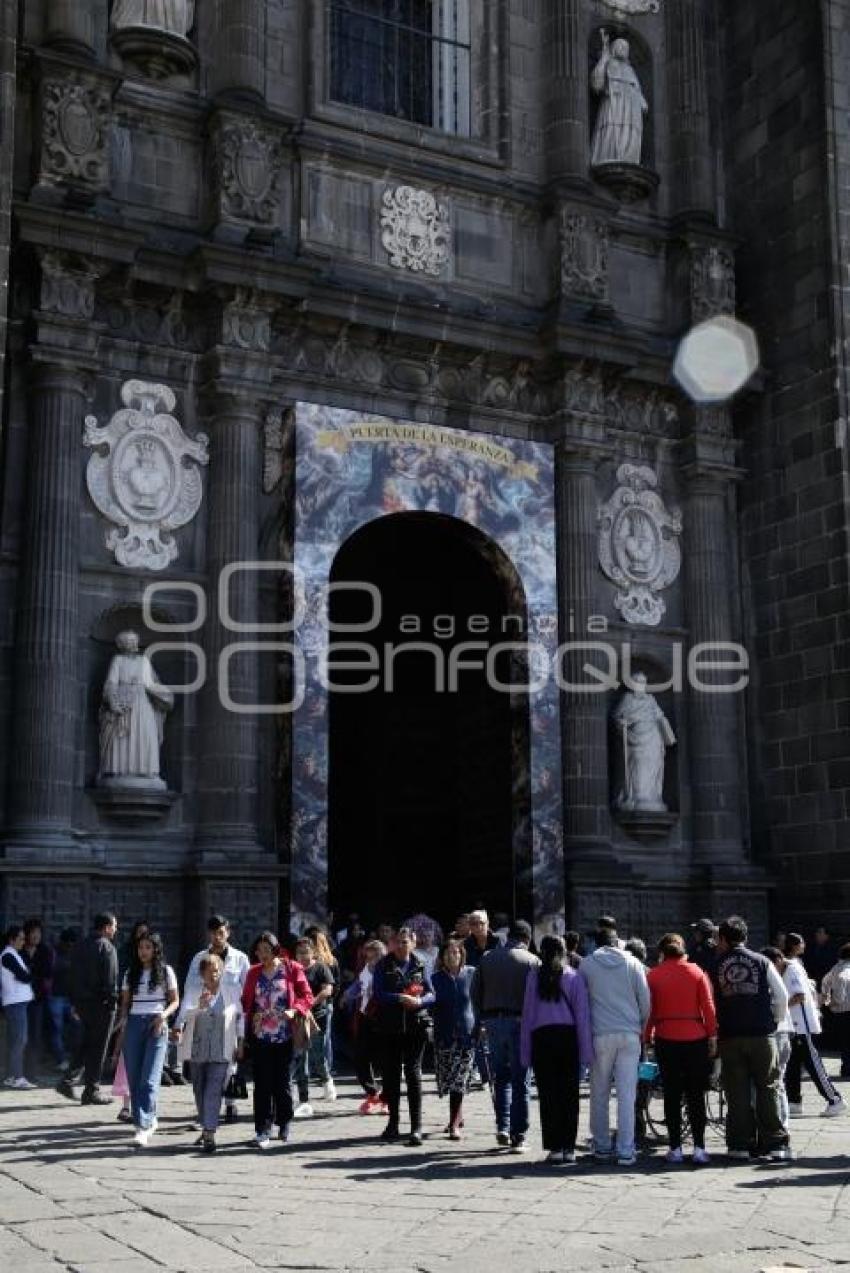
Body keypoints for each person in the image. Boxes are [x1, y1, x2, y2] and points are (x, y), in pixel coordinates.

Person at [713, 916, 791, 1162]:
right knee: (768, 1087)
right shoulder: (762, 961)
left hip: (730, 1036)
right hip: (762, 1035)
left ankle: (740, 1145)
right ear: (745, 937)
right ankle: (775, 1144)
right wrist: (775, 1020)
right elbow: (781, 995)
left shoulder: (716, 964)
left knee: (736, 1092)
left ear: (723, 939)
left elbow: (710, 1001)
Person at [580, 923, 650, 1167]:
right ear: (616, 941)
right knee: (627, 1095)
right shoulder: (633, 963)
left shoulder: (587, 965)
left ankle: (601, 1146)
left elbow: (581, 1002)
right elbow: (645, 1001)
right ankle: (626, 1150)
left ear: (597, 943)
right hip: (630, 1034)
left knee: (599, 1092)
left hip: (600, 1034)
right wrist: (640, 1026)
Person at [521, 935, 593, 1165]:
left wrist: (525, 1052)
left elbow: (528, 1015)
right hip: (567, 1037)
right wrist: (586, 1053)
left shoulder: (534, 976)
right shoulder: (574, 976)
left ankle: (555, 1148)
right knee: (569, 1095)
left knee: (548, 1095)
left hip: (542, 1038)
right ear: (564, 952)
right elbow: (582, 1017)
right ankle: (569, 1148)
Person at [645, 933, 717, 1165]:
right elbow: (708, 1006)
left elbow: (649, 1011)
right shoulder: (697, 972)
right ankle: (699, 1148)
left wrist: (647, 1036)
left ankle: (675, 1148)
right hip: (695, 1038)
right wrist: (712, 1035)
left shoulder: (653, 975)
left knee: (672, 1094)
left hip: (666, 1037)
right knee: (696, 1094)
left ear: (662, 952)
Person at [241, 930, 313, 1149]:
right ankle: (262, 1129)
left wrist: (295, 1009)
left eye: (266, 950)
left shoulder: (292, 968)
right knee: (262, 1084)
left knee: (282, 1083)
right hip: (260, 1034)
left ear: (275, 950)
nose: (262, 954)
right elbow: (245, 1001)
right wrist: (248, 1019)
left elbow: (307, 996)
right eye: (258, 951)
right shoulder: (253, 972)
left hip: (285, 1034)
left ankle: (284, 1121)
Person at [472, 919, 539, 1152]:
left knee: (500, 1077)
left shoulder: (487, 958)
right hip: (521, 1023)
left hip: (492, 1022)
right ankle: (519, 1135)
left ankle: (503, 1125)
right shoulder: (532, 961)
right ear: (527, 939)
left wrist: (480, 1020)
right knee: (521, 1079)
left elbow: (475, 992)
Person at [371, 925, 435, 1146]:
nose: (400, 945)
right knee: (391, 1076)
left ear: (413, 943)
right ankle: (393, 1123)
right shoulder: (383, 964)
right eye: (397, 941)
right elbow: (378, 993)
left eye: (405, 942)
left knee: (413, 1074)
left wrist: (420, 1001)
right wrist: (399, 998)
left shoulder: (422, 963)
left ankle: (416, 1126)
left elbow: (432, 993)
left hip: (416, 1027)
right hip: (390, 1027)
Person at [174, 952, 244, 1153]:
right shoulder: (194, 991)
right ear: (202, 973)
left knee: (214, 1089)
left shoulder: (232, 991)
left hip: (222, 1049)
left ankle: (210, 1132)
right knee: (199, 1089)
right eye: (209, 971)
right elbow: (183, 1016)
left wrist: (240, 1042)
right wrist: (199, 1007)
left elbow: (240, 1017)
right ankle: (205, 1124)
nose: (214, 975)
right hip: (197, 1049)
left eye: (217, 971)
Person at [183, 915, 250, 1123]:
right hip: (204, 1014)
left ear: (227, 933)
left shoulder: (240, 958)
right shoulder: (199, 958)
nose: (217, 937)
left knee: (229, 1062)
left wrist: (244, 1023)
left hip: (230, 1015)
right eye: (213, 933)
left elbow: (247, 989)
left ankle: (230, 1102)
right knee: (205, 1065)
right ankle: (207, 1111)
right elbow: (190, 987)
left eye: (221, 932)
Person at [116, 930, 179, 1148]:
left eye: (148, 947)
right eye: (140, 947)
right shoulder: (129, 973)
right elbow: (125, 1004)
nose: (143, 951)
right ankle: (147, 1119)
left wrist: (163, 1016)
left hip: (157, 1022)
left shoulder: (166, 971)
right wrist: (122, 1022)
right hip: (134, 1022)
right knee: (134, 1077)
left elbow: (175, 1001)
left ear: (156, 949)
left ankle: (142, 1126)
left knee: (149, 1077)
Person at [57, 912, 119, 1106]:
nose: (115, 930)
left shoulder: (79, 946)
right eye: (114, 926)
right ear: (107, 927)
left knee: (86, 1044)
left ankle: (68, 1080)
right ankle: (92, 1090)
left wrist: (75, 1003)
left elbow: (71, 977)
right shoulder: (107, 947)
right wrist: (113, 1004)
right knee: (98, 1048)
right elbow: (110, 980)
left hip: (82, 1004)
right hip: (102, 1005)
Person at [782, 933, 845, 1118]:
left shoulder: (792, 966)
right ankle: (794, 1101)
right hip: (795, 1024)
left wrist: (780, 1006)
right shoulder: (794, 965)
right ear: (795, 946)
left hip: (800, 1024)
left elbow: (800, 995)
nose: (804, 945)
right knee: (793, 1064)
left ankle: (835, 1099)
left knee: (813, 1063)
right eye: (801, 942)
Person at [432, 938, 477, 1140]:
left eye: (457, 952)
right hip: (444, 1035)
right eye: (449, 952)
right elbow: (429, 1004)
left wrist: (481, 1024)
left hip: (467, 1034)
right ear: (442, 957)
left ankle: (453, 1124)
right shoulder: (435, 979)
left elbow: (479, 1001)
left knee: (460, 1080)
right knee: (449, 1081)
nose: (453, 956)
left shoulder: (472, 974)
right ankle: (458, 1116)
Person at [292, 936, 335, 1117]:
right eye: (299, 953)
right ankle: (304, 1099)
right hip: (299, 1017)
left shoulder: (321, 968)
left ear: (313, 952)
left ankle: (326, 1079)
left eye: (306, 952)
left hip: (318, 1016)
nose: (303, 956)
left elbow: (328, 990)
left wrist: (311, 1002)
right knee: (301, 1057)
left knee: (317, 1054)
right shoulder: (293, 969)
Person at [346, 938, 387, 1115]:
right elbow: (357, 987)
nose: (371, 961)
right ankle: (372, 1093)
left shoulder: (388, 971)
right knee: (360, 1057)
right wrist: (347, 994)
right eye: (368, 957)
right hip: (365, 1017)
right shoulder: (365, 970)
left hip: (383, 1018)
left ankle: (387, 1098)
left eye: (374, 957)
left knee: (385, 1059)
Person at [761, 946, 796, 1130]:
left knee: (774, 1082)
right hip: (783, 1032)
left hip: (776, 1033)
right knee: (778, 1082)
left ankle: (780, 1124)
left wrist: (776, 1021)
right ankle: (782, 1124)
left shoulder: (768, 980)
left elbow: (782, 1000)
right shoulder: (776, 979)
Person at [1, 925, 36, 1089]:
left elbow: (24, 975)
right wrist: (28, 973)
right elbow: (25, 976)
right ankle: (17, 1077)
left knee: (16, 1040)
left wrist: (27, 973)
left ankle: (11, 1076)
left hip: (17, 1003)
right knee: (19, 1040)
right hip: (14, 1003)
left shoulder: (13, 954)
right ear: (11, 939)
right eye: (21, 939)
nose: (23, 941)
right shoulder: (8, 955)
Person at [304, 925, 340, 1082]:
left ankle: (318, 1069)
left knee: (318, 1037)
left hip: (321, 1002)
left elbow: (334, 984)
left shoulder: (321, 962)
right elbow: (337, 983)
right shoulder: (332, 960)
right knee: (324, 1038)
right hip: (326, 1002)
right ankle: (325, 1069)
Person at [47, 927, 80, 1071]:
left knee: (76, 1027)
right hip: (56, 996)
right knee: (57, 1029)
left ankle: (72, 1058)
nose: (70, 946)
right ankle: (61, 1059)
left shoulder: (75, 954)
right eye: (68, 944)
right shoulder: (54, 954)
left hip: (70, 998)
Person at [22, 918, 51, 1075]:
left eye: (39, 932)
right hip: (20, 999)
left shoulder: (44, 951)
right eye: (33, 932)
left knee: (35, 1036)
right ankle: (17, 1071)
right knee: (20, 1036)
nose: (36, 936)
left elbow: (47, 973)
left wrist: (30, 974)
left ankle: (31, 1072)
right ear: (26, 934)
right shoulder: (19, 950)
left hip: (38, 1000)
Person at [821, 942, 850, 1079]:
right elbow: (839, 997)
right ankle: (847, 1069)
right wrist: (832, 1001)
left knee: (846, 1043)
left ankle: (847, 1068)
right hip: (845, 1012)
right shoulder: (841, 971)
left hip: (843, 1013)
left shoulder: (837, 969)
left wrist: (827, 1000)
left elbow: (825, 981)